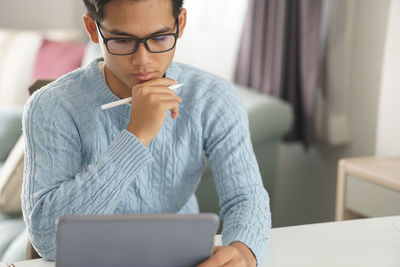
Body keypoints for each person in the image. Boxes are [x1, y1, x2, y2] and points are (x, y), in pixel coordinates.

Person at [22, 0, 271, 266]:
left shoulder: (212, 98)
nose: (142, 61)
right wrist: (136, 136)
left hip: (181, 257)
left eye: (160, 37)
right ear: (93, 29)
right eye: (121, 41)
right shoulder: (51, 106)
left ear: (180, 24)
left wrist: (244, 250)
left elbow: (246, 197)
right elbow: (48, 239)